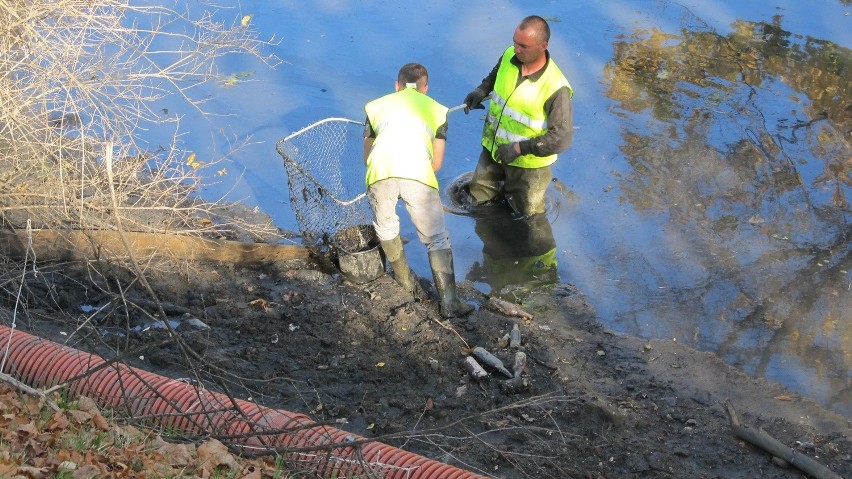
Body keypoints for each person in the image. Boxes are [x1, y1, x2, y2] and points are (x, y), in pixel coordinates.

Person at [363, 63, 473, 318]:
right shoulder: (437, 110)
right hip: (417, 173)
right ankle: (450, 302)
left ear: (396, 86)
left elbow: (367, 156)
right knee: (436, 237)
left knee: (387, 227)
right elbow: (436, 164)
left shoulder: (374, 107)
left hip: (380, 172)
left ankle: (404, 283)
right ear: (425, 88)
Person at [462, 15, 574, 217]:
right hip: (494, 151)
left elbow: (562, 137)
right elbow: (495, 76)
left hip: (528, 169)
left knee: (528, 217)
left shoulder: (556, 88)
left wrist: (518, 148)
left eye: (523, 46)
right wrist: (481, 91)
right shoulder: (508, 55)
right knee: (477, 199)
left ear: (543, 46)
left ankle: (536, 249)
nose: (516, 49)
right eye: (515, 42)